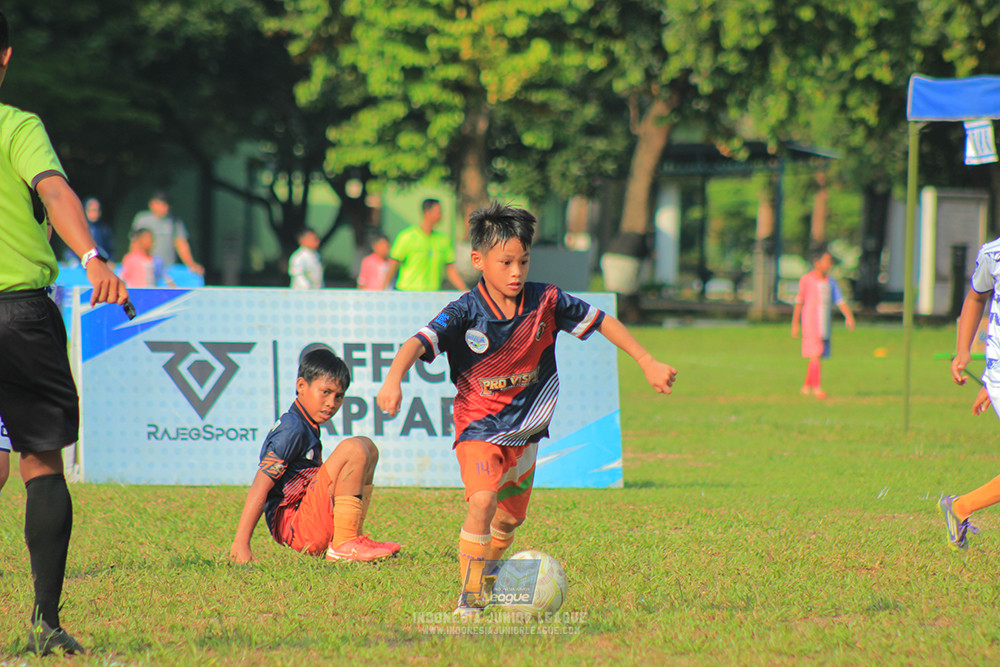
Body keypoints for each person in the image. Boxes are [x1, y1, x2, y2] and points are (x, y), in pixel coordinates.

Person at [375, 202, 677, 616]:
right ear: (478, 260)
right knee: (482, 501)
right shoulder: (465, 311)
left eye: (523, 261)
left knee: (507, 522)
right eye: (506, 262)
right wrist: (394, 379)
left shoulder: (545, 300)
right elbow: (416, 342)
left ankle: (490, 574)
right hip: (478, 425)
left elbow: (602, 320)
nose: (516, 271)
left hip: (526, 432)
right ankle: (470, 598)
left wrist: (647, 361)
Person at [0, 9, 130, 654]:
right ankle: (45, 624)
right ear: (5, 58)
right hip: (17, 313)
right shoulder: (16, 125)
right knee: (40, 463)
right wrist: (94, 257)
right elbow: (53, 191)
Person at [230, 348, 400, 564]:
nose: (332, 403)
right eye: (325, 392)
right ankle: (344, 544)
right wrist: (240, 544)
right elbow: (260, 486)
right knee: (353, 449)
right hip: (298, 527)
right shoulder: (292, 430)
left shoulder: (305, 424)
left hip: (309, 519)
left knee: (368, 447)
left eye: (339, 396)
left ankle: (351, 538)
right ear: (301, 386)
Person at [940, 236, 1000, 550]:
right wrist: (963, 350)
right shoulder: (993, 253)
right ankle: (960, 506)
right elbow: (976, 298)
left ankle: (961, 506)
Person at [791, 243, 855, 399]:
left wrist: (849, 316)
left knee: (816, 355)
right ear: (817, 262)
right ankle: (817, 388)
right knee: (816, 354)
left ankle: (806, 387)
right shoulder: (807, 280)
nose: (829, 265)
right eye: (826, 261)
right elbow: (799, 302)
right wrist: (795, 323)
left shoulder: (831, 282)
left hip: (824, 323)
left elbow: (840, 300)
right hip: (810, 322)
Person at [381, 198, 467, 291]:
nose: (441, 215)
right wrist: (383, 290)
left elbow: (450, 269)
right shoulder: (407, 237)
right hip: (408, 292)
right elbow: (393, 264)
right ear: (427, 213)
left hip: (432, 294)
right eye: (438, 212)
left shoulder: (443, 240)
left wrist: (464, 289)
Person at [130, 189, 204, 276]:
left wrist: (191, 264)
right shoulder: (142, 219)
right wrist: (133, 264)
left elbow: (181, 243)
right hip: (146, 268)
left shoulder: (174, 221)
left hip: (168, 269)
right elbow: (135, 243)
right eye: (162, 204)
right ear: (152, 204)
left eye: (167, 204)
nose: (166, 207)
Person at [63, 197, 114, 266]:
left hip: (98, 265)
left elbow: (109, 250)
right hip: (79, 265)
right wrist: (72, 260)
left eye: (97, 210)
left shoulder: (104, 230)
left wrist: (108, 260)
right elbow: (70, 250)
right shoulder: (79, 228)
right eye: (92, 210)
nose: (95, 213)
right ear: (86, 211)